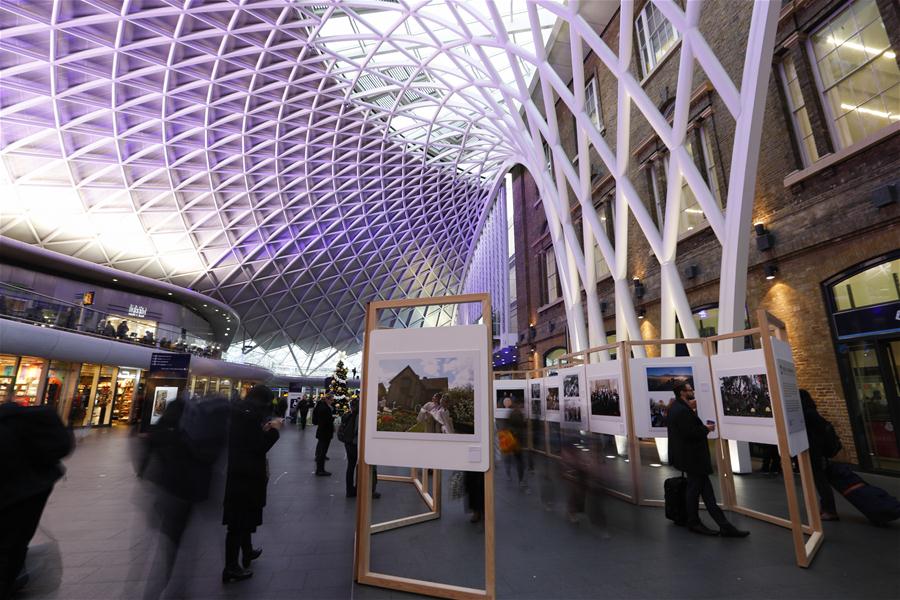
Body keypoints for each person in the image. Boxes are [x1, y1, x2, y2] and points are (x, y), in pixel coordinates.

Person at [0, 403, 74, 599]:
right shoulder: (25, 425)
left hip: (18, 493)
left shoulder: (9, 429)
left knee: (8, 549)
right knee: (14, 546)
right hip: (34, 490)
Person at [667, 382, 749, 537]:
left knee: (706, 493)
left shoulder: (678, 408)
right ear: (682, 392)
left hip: (691, 459)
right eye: (690, 389)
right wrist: (706, 429)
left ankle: (722, 526)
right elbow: (689, 433)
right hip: (693, 459)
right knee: (696, 492)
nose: (693, 391)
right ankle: (696, 522)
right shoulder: (682, 411)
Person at [222, 385, 281, 583]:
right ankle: (231, 566)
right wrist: (272, 432)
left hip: (240, 476)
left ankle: (246, 551)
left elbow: (248, 441)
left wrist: (262, 430)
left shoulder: (241, 414)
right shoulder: (248, 417)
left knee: (243, 519)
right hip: (245, 478)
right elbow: (258, 446)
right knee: (238, 523)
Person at [800, 389, 839, 521]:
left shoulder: (808, 414)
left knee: (820, 481)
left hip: (815, 451)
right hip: (816, 451)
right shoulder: (811, 412)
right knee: (820, 480)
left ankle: (829, 510)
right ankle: (826, 508)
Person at [342, 399, 380, 499]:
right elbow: (359, 432)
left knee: (350, 467)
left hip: (348, 444)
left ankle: (350, 490)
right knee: (365, 466)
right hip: (356, 445)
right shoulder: (360, 416)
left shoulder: (350, 415)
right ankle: (367, 491)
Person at [504, 397, 526, 486]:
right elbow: (522, 425)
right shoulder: (519, 413)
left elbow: (507, 424)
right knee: (520, 460)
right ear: (519, 404)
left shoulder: (511, 412)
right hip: (517, 440)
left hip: (510, 438)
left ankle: (508, 474)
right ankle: (520, 480)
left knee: (509, 458)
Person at [312, 395, 334, 476]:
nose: (332, 402)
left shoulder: (322, 407)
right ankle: (320, 470)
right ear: (327, 400)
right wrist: (332, 419)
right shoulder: (325, 409)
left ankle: (320, 469)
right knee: (322, 451)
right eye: (331, 400)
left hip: (322, 432)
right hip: (325, 433)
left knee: (322, 450)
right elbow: (325, 421)